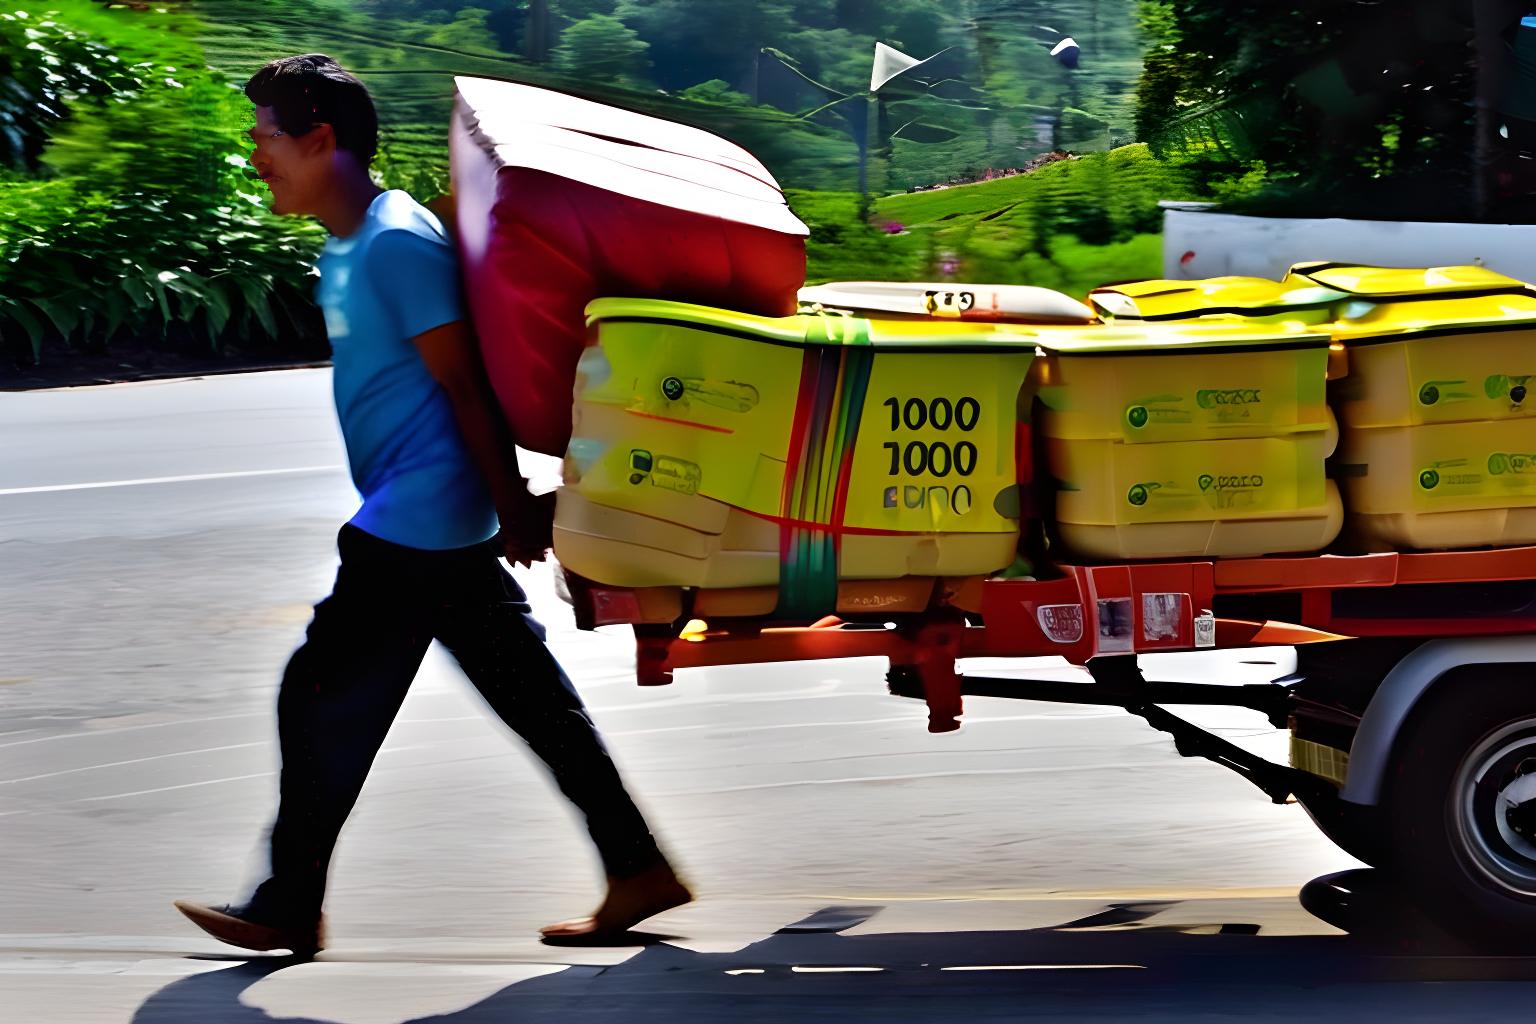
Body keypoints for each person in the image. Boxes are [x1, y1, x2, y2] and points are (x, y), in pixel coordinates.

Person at [173, 54, 690, 957]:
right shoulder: (349, 244)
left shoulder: (394, 239)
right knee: (531, 698)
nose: (256, 157)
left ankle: (289, 900)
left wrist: (512, 505)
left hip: (418, 518)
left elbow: (463, 381)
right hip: (437, 524)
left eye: (265, 139)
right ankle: (638, 866)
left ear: (321, 140)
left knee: (318, 693)